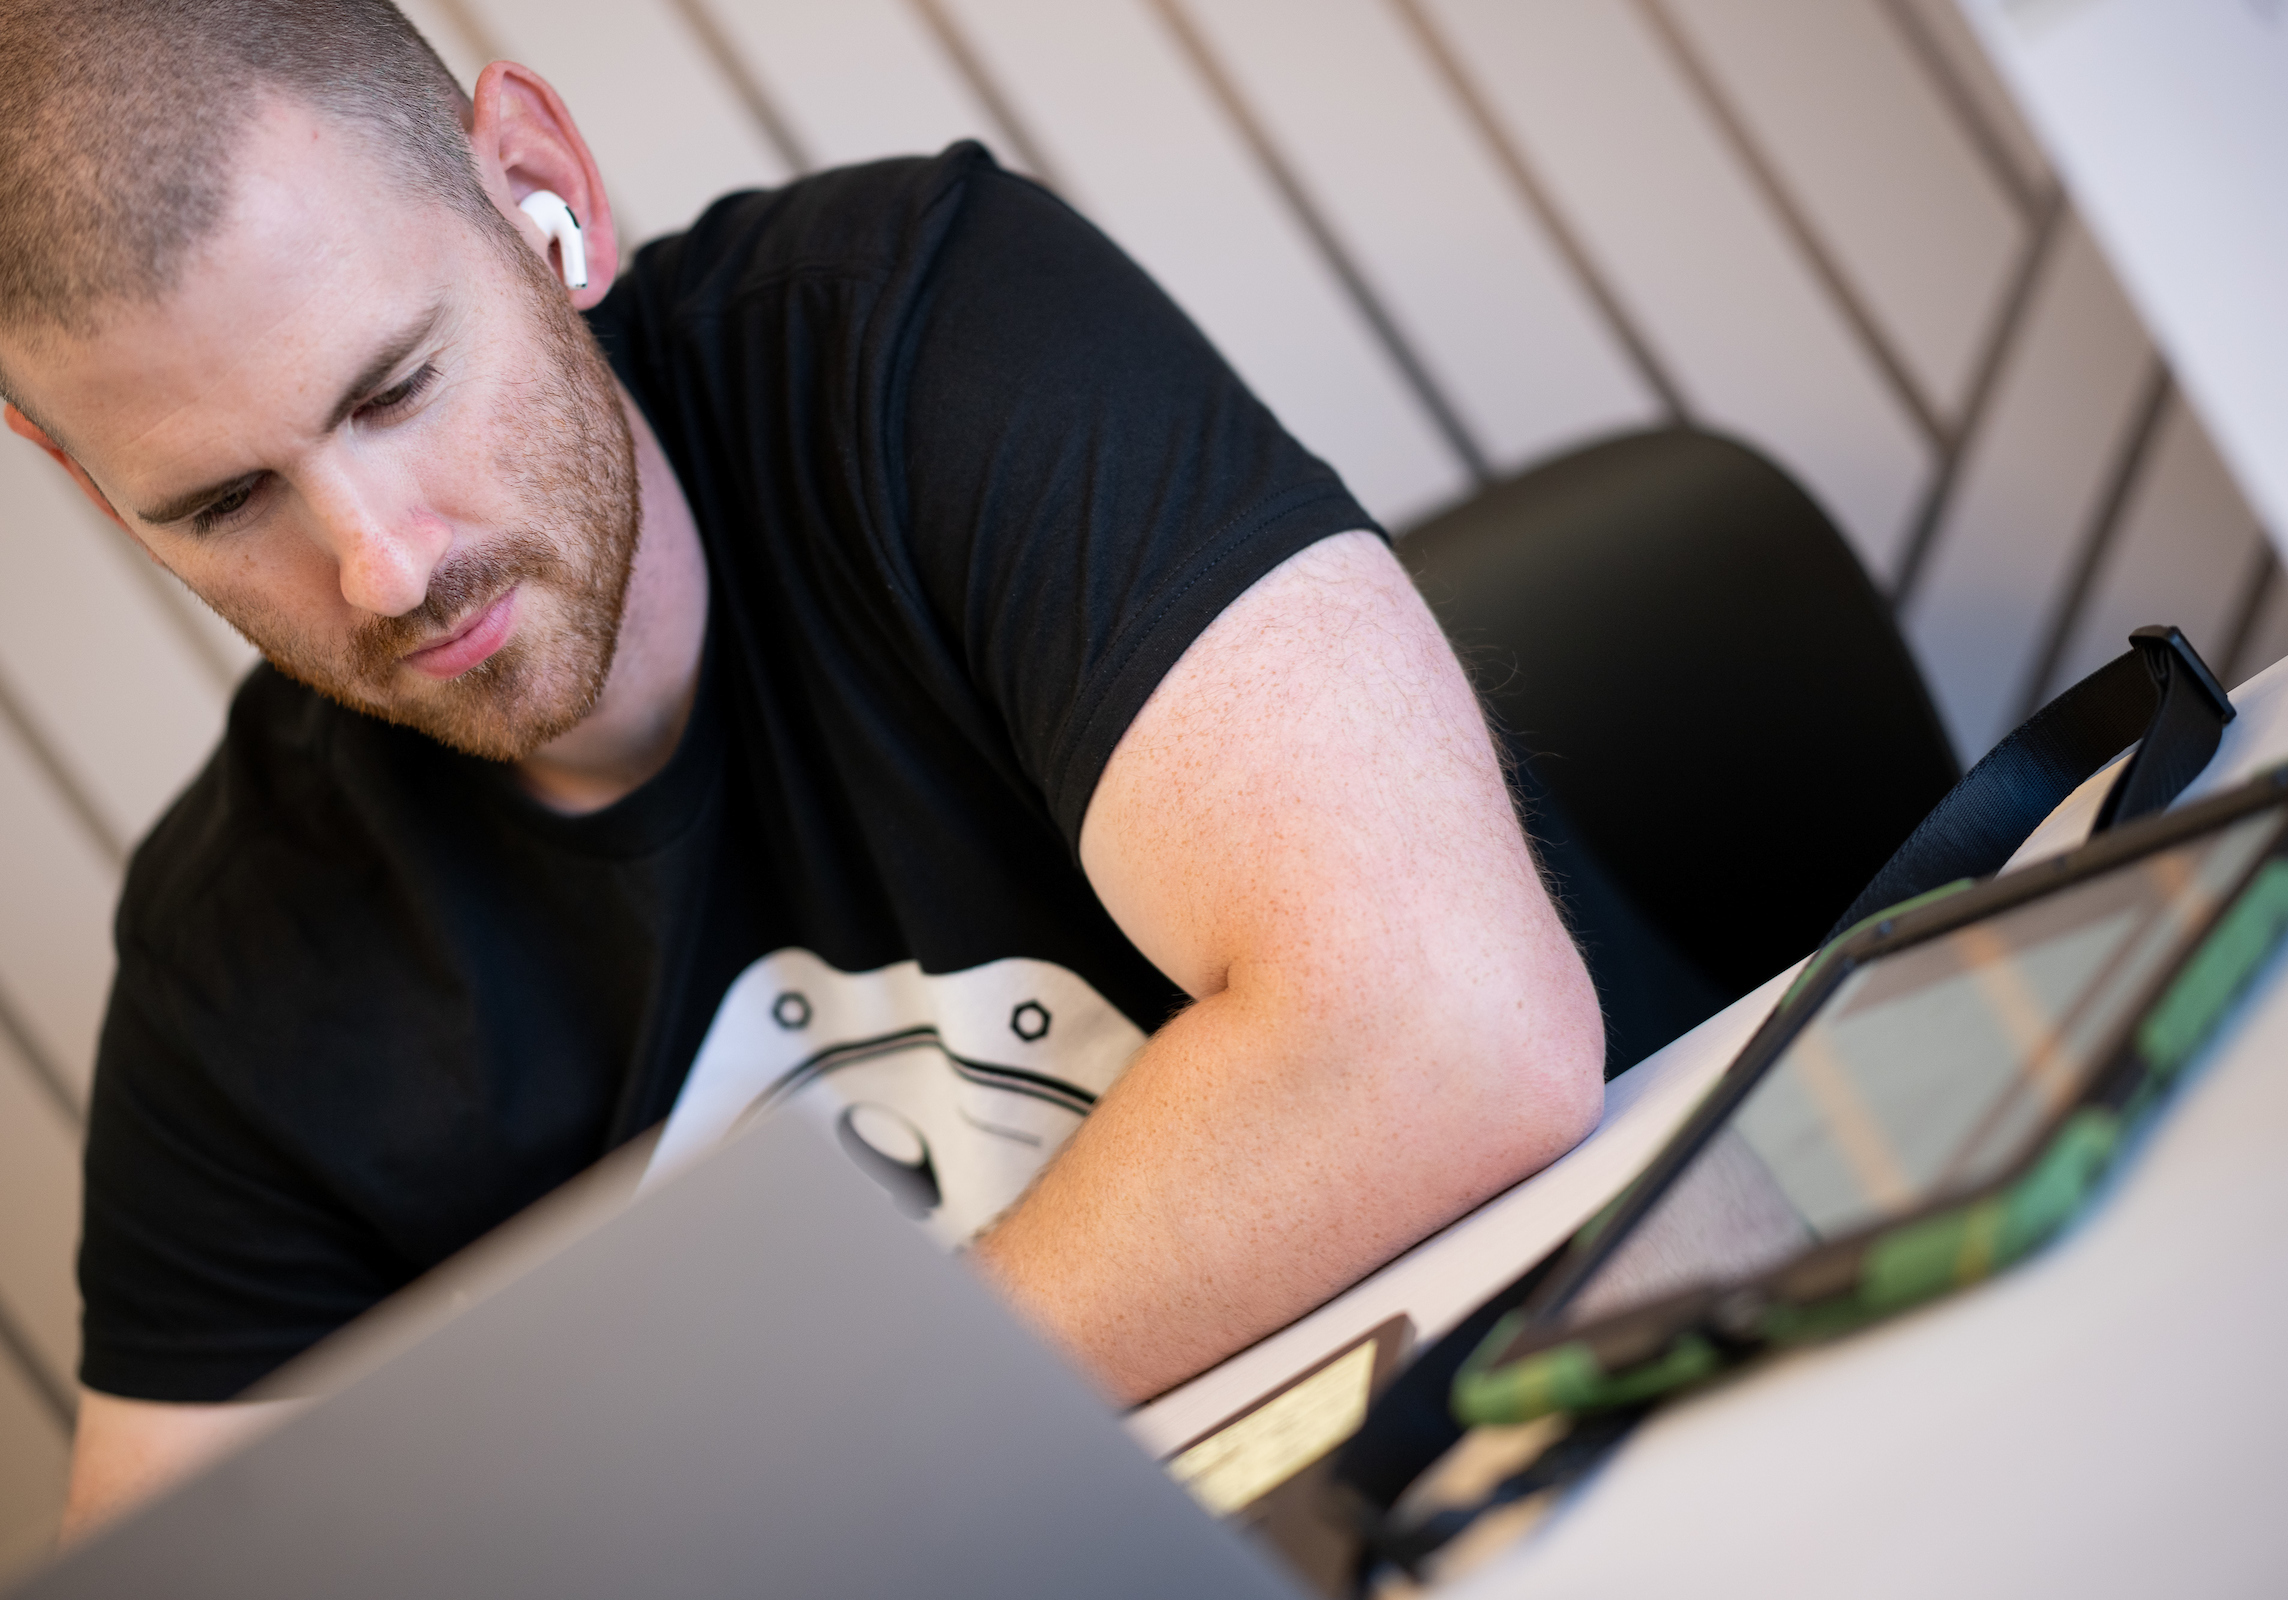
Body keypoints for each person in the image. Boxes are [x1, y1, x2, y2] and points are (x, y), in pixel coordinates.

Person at [0, 0, 1605, 1539]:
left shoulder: (928, 331)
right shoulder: (236, 958)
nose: (384, 567)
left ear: (541, 193)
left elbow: (1447, 1029)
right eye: (221, 507)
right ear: (85, 484)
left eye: (397, 385)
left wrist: (768, 1490)